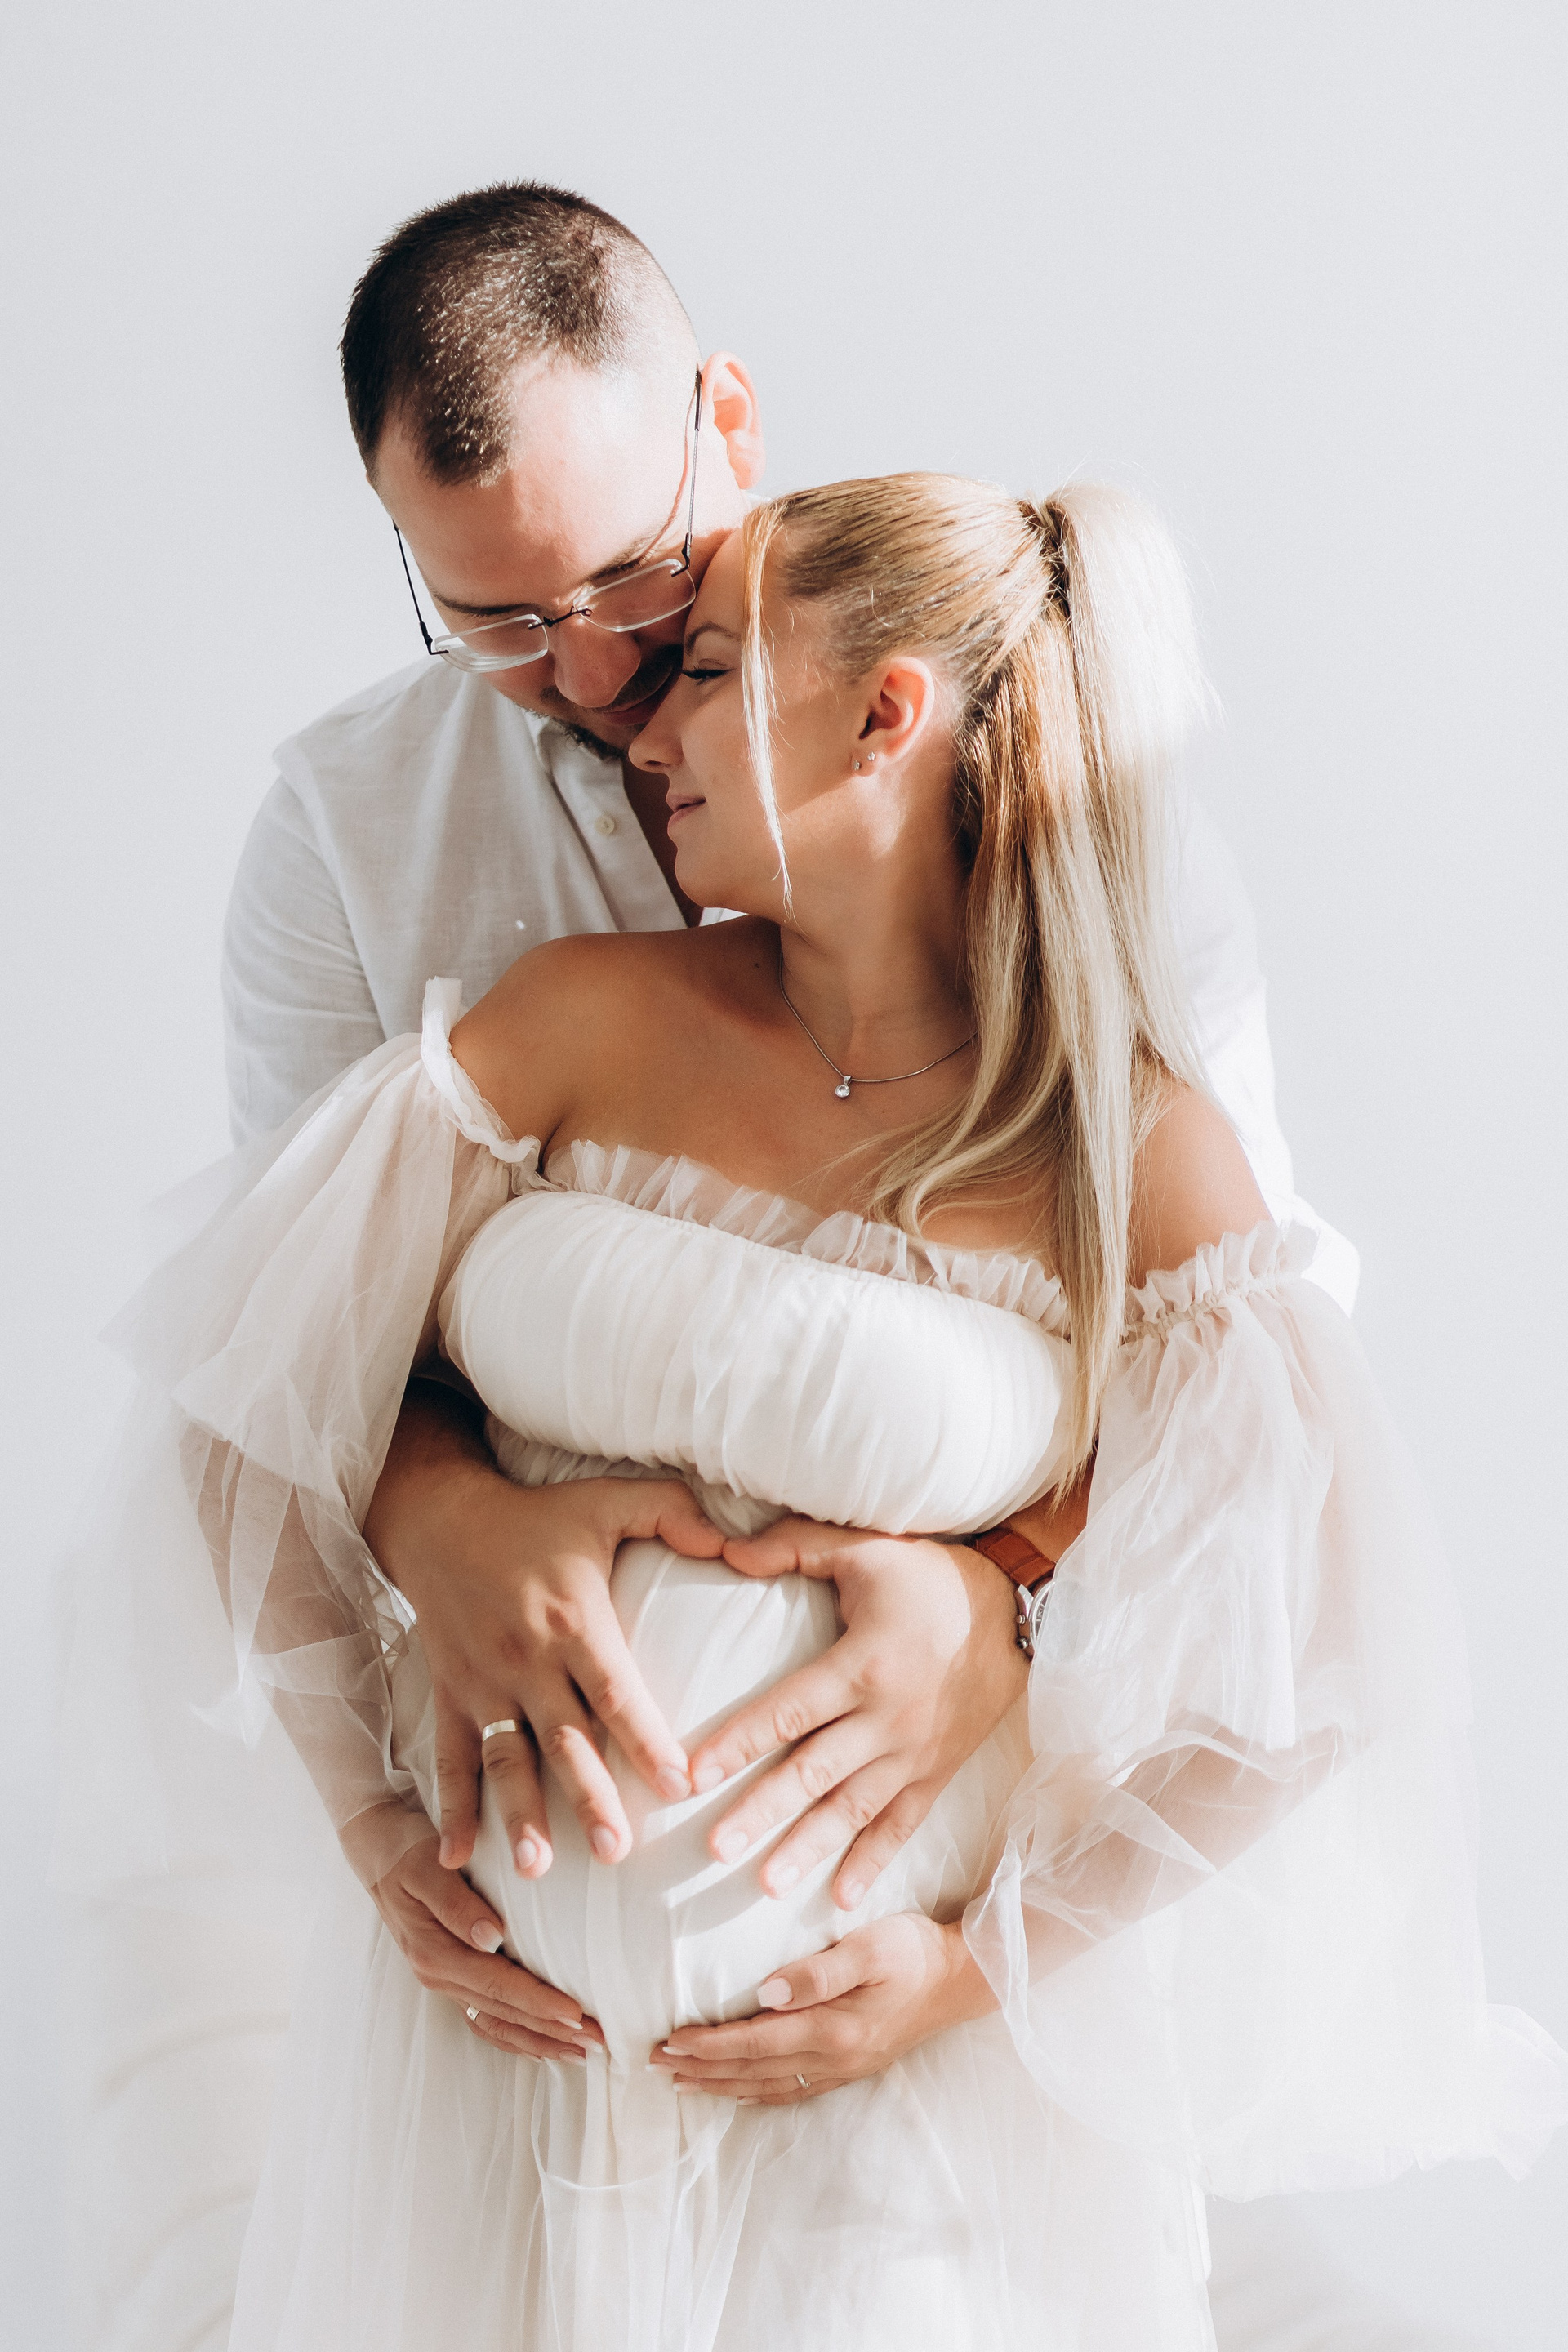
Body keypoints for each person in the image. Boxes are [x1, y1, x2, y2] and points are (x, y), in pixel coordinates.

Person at [47, 182, 1440, 2350]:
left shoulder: (1091, 849)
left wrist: (1001, 1606)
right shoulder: (355, 851)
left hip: (907, 2051)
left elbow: (1251, 1452)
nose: (596, 677)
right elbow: (288, 1338)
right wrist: (445, 1519)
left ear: (727, 415)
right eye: (498, 620)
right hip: (492, 2046)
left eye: (638, 589)